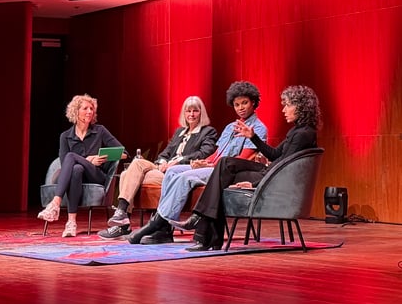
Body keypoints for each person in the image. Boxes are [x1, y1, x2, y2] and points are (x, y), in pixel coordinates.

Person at [177, 84, 322, 251]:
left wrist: (254, 184)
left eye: (288, 105)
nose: (284, 110)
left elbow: (283, 168)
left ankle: (204, 229)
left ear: (301, 107)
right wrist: (252, 137)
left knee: (223, 170)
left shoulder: (303, 134)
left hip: (273, 180)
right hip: (270, 174)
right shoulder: (297, 131)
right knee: (225, 165)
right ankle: (205, 232)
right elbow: (274, 155)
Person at [128, 80, 269, 245]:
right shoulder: (230, 127)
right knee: (173, 171)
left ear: (253, 102)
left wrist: (212, 166)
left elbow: (243, 159)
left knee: (184, 178)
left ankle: (159, 223)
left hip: (226, 172)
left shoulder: (258, 128)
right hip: (213, 166)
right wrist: (203, 162)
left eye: (244, 103)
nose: (240, 108)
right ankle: (164, 229)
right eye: (237, 104)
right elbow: (217, 153)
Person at [98, 95, 218, 239]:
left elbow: (204, 153)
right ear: (184, 113)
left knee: (130, 171)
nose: (191, 114)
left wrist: (179, 161)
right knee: (130, 169)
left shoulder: (208, 132)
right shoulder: (180, 132)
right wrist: (161, 162)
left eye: (195, 111)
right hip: (163, 170)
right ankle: (122, 218)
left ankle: (122, 222)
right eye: (188, 111)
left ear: (201, 113)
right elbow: (165, 153)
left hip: (178, 173)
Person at [37, 93, 125, 237]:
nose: (90, 111)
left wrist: (98, 158)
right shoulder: (65, 136)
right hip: (73, 176)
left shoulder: (100, 131)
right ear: (75, 112)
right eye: (85, 108)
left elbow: (123, 153)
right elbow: (65, 162)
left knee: (72, 157)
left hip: (95, 175)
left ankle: (55, 204)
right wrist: (88, 159)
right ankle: (71, 223)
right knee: (76, 168)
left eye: (91, 108)